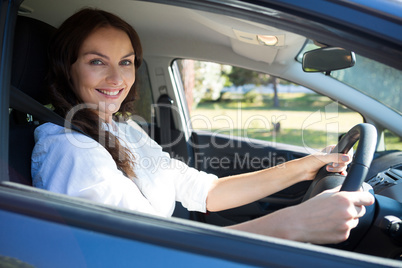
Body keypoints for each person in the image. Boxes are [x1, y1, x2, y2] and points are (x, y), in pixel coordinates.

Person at [31, 8, 374, 245]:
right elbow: (146, 252)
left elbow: (206, 192)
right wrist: (298, 223)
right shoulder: (69, 150)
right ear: (67, 68)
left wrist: (303, 167)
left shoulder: (122, 130)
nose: (117, 78)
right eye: (96, 62)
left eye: (126, 62)